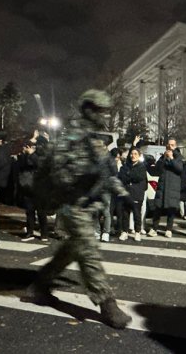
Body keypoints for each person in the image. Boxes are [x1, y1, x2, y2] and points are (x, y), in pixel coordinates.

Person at [27, 89, 132, 329]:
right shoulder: (71, 137)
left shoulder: (95, 141)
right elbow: (58, 172)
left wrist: (122, 193)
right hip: (73, 205)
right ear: (87, 110)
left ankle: (40, 285)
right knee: (89, 251)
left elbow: (106, 173)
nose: (104, 115)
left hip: (89, 205)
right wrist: (80, 179)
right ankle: (107, 305)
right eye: (100, 110)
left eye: (106, 110)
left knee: (70, 251)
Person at [149, 139, 183, 238]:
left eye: (172, 145)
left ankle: (169, 229)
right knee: (157, 208)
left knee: (171, 209)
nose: (170, 146)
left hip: (173, 186)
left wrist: (171, 158)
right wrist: (163, 158)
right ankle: (154, 228)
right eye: (168, 144)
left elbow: (179, 169)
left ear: (175, 146)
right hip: (162, 185)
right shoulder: (163, 156)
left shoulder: (178, 157)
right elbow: (157, 169)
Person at [18, 135, 49, 242]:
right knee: (29, 211)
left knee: (41, 212)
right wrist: (25, 154)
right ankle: (30, 232)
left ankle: (44, 233)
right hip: (28, 186)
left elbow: (41, 166)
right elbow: (21, 166)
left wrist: (32, 155)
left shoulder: (42, 154)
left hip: (39, 187)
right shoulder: (24, 155)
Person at [116, 147, 147, 242]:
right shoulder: (125, 166)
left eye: (135, 154)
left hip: (137, 193)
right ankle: (124, 232)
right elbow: (121, 177)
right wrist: (129, 176)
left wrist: (128, 175)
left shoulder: (142, 167)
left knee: (137, 214)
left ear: (139, 155)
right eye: (131, 154)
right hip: (126, 193)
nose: (133, 156)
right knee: (125, 214)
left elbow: (139, 177)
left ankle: (137, 232)